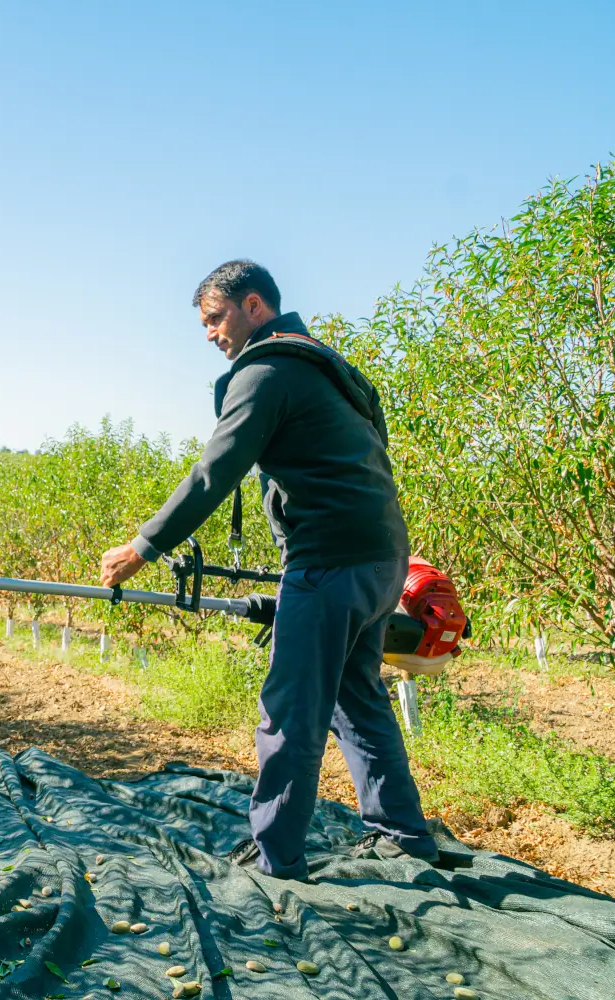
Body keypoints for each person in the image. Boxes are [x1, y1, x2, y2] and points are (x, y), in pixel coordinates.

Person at [98, 259, 438, 880]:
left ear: (254, 306)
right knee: (357, 697)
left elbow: (213, 471)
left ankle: (275, 853)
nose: (209, 334)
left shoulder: (266, 371)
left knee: (291, 709)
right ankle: (403, 833)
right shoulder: (334, 368)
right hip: (383, 558)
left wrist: (142, 546)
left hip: (328, 563)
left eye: (215, 318)